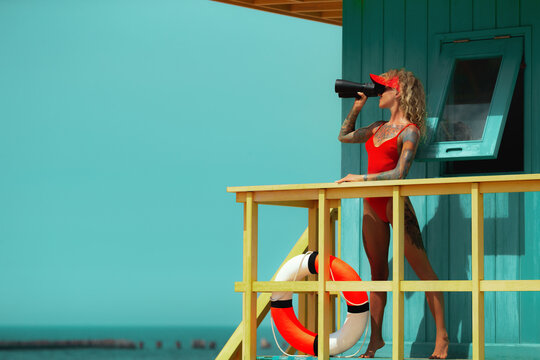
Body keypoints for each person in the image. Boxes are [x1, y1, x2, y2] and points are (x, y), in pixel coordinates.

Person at [336, 69, 449, 359]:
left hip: (394, 203)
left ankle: (442, 339)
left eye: (381, 87)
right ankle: (375, 342)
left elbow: (400, 173)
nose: (377, 91)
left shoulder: (409, 130)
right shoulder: (375, 127)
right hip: (371, 206)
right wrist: (357, 106)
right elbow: (344, 135)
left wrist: (359, 179)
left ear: (397, 93)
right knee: (377, 275)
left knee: (424, 273)